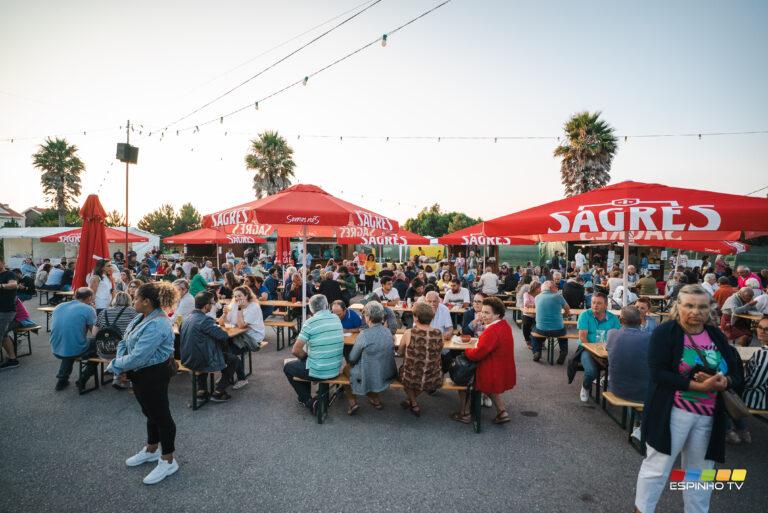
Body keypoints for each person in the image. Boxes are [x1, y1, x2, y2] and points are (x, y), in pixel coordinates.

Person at [634, 284, 742, 513]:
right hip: (671, 413)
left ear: (710, 309)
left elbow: (736, 371)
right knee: (657, 468)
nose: (696, 311)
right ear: (678, 307)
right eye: (689, 305)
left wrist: (726, 382)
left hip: (707, 417)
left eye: (702, 306)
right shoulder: (666, 332)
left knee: (701, 474)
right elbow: (658, 373)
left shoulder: (715, 335)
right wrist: (698, 385)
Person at [107, 282, 179, 485]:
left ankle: (168, 460)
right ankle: (151, 449)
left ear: (147, 301)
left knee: (161, 416)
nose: (133, 301)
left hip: (154, 374)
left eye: (136, 298)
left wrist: (114, 365)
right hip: (139, 372)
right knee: (150, 412)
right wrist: (121, 367)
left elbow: (139, 356)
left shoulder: (158, 323)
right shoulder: (141, 316)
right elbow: (124, 341)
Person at [453, 297, 516, 424]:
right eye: (482, 312)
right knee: (485, 383)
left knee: (462, 379)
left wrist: (466, 350)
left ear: (498, 314)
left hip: (491, 369)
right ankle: (502, 412)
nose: (483, 315)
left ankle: (465, 413)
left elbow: (476, 354)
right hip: (501, 367)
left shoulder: (492, 330)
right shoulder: (504, 325)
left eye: (487, 313)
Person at [283, 294, 344, 411]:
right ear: (327, 306)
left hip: (320, 371)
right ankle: (306, 397)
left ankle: (308, 401)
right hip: (336, 368)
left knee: (288, 367)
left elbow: (295, 350)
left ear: (311, 309)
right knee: (303, 363)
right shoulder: (336, 318)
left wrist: (305, 357)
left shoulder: (310, 322)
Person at [180, 291, 239, 402]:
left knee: (204, 351)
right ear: (207, 305)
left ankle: (201, 390)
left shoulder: (187, 318)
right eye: (212, 303)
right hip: (201, 360)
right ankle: (219, 391)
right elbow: (223, 336)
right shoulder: (205, 320)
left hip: (186, 358)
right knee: (233, 359)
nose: (213, 306)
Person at [342, 301, 398, 415]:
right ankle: (375, 399)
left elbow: (352, 358)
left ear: (368, 317)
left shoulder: (365, 334)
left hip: (371, 372)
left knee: (346, 370)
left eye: (365, 315)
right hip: (386, 371)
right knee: (367, 367)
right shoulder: (387, 331)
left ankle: (353, 403)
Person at [606, 306, 651, 439]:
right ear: (640, 320)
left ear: (621, 320)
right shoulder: (649, 337)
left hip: (615, 388)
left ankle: (639, 423)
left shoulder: (612, 334)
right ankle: (641, 424)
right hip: (643, 393)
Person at [396, 302, 444, 416]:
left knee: (402, 374)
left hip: (412, 376)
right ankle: (411, 401)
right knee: (422, 377)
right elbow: (439, 350)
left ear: (416, 318)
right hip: (433, 376)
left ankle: (413, 403)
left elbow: (400, 352)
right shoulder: (438, 333)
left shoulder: (409, 332)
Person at [726, 317, 768, 443]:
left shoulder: (764, 354)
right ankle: (742, 430)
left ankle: (728, 431)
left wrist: (733, 385)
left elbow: (754, 382)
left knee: (722, 394)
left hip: (759, 397)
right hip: (763, 392)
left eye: (767, 329)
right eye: (760, 327)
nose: (762, 331)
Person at [49, 287, 97, 391]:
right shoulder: (88, 309)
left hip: (56, 347)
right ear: (89, 298)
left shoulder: (59, 306)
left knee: (71, 342)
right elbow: (94, 332)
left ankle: (62, 379)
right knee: (98, 346)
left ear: (75, 296)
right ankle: (83, 378)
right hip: (75, 349)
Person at [576, 292, 620, 402]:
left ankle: (613, 389)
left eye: (599, 303)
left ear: (605, 305)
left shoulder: (613, 319)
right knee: (591, 371)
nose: (595, 305)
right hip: (586, 348)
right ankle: (586, 387)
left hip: (607, 350)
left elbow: (617, 338)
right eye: (593, 302)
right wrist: (595, 354)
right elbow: (583, 338)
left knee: (621, 367)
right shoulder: (585, 315)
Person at [219, 286, 265, 389]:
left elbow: (241, 325)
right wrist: (224, 314)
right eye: (235, 296)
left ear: (247, 296)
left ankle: (241, 378)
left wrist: (239, 309)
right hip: (237, 335)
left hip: (252, 338)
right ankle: (227, 375)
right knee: (221, 348)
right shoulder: (234, 304)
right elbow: (221, 323)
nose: (237, 299)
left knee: (230, 353)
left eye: (240, 296)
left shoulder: (254, 307)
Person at [532, 281, 570, 364]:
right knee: (563, 333)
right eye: (554, 287)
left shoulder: (537, 297)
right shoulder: (558, 296)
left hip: (542, 329)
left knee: (534, 331)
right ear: (550, 288)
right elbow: (567, 308)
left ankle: (536, 351)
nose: (556, 288)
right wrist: (565, 315)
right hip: (558, 330)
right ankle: (563, 351)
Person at [0, 258, 20, 370]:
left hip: (6, 310)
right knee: (3, 335)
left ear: (2, 262)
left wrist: (1, 286)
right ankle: (13, 359)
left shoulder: (9, 274)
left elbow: (13, 285)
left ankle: (13, 359)